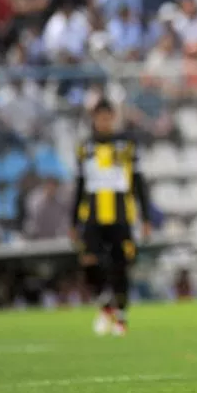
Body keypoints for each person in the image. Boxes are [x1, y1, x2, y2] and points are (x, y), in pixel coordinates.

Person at [70, 98, 152, 336]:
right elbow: (79, 185)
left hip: (121, 216)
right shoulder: (85, 147)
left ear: (113, 118)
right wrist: (73, 221)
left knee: (120, 266)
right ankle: (106, 306)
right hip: (92, 217)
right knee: (90, 263)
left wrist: (145, 218)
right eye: (100, 117)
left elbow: (138, 183)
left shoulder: (127, 145)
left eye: (108, 117)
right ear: (94, 118)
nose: (104, 122)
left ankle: (121, 318)